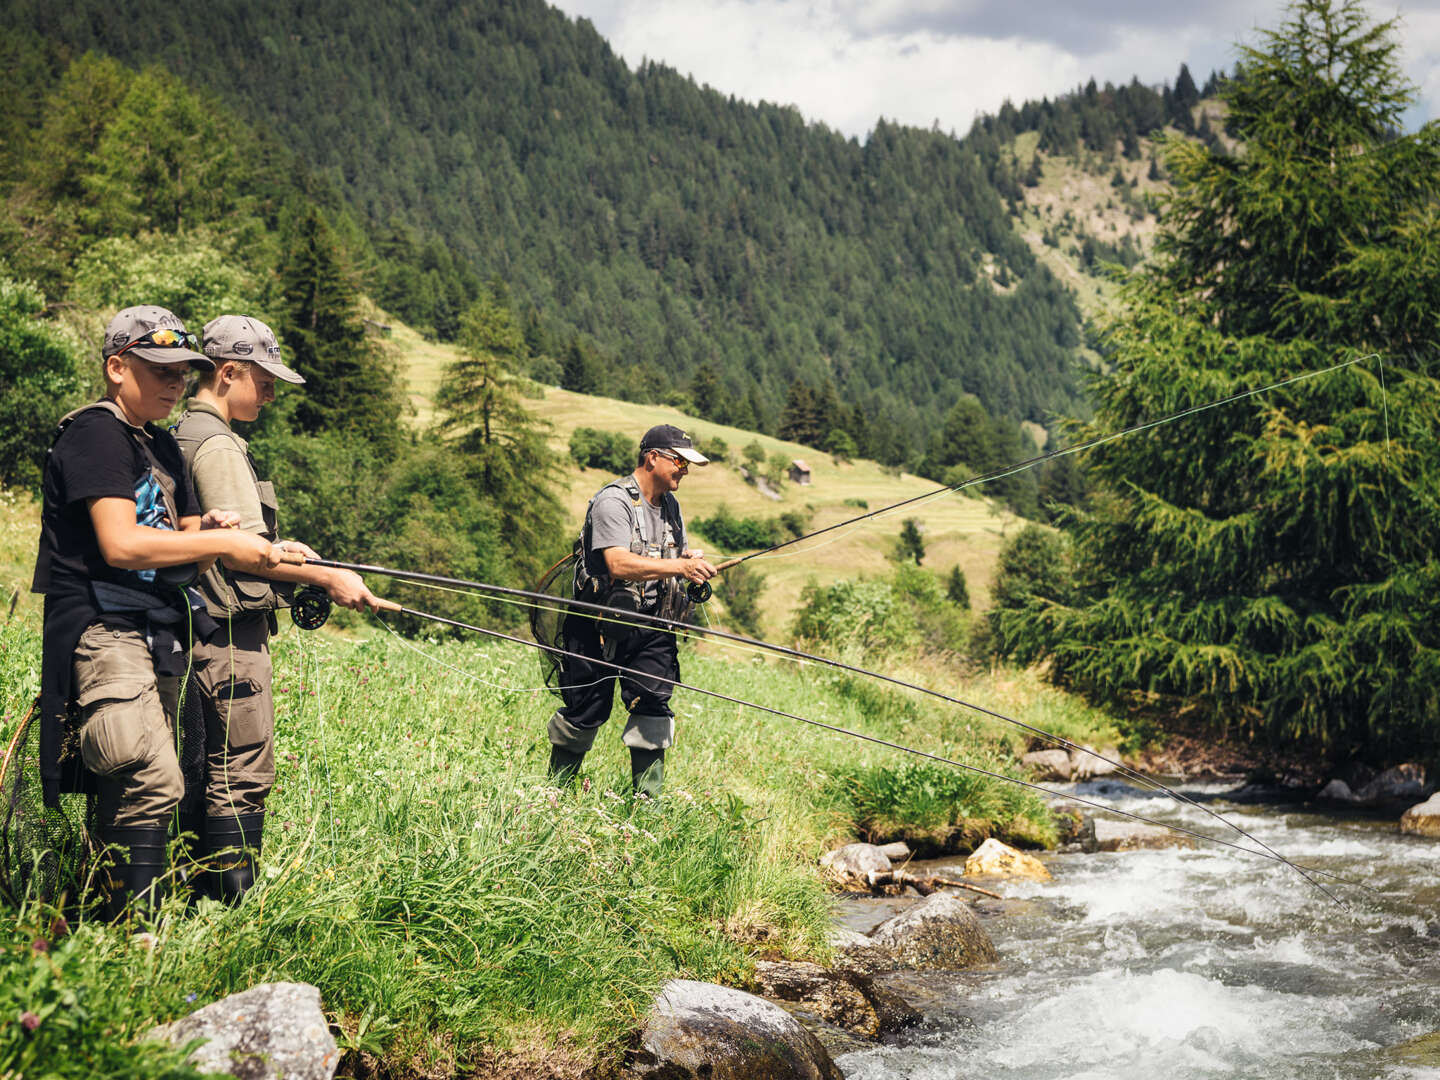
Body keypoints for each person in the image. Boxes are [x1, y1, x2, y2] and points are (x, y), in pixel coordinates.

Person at [32, 305, 284, 919]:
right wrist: (221, 543)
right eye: (159, 369)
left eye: (182, 371)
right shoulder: (97, 434)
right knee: (151, 778)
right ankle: (128, 938)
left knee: (131, 785)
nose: (174, 383)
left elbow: (186, 550)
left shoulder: (164, 446)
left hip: (159, 632)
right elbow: (122, 545)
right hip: (103, 628)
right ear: (116, 368)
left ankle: (117, 924)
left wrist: (234, 538)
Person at [172, 314, 382, 903]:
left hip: (200, 630)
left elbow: (237, 545)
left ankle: (195, 899)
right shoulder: (216, 446)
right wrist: (329, 578)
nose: (269, 392)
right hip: (227, 636)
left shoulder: (189, 433)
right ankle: (229, 911)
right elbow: (239, 559)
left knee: (204, 768)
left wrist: (284, 553)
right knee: (238, 772)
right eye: (262, 379)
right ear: (228, 371)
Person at [547, 424, 717, 797]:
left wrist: (688, 561)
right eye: (679, 461)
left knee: (654, 708)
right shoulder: (613, 501)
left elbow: (668, 559)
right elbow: (618, 564)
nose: (684, 470)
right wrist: (679, 567)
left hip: (652, 626)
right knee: (586, 710)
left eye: (687, 465)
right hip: (597, 625)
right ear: (652, 457)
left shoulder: (671, 506)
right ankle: (554, 797)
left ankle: (647, 807)